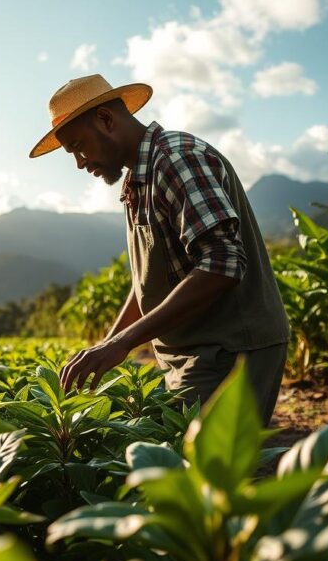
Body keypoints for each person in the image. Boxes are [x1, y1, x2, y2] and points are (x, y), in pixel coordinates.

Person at [29, 74, 289, 424]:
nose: (78, 162)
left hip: (228, 348)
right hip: (191, 350)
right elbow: (148, 284)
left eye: (78, 145)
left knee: (187, 467)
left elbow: (222, 264)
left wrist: (121, 343)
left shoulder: (178, 159)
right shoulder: (139, 179)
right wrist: (108, 344)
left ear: (106, 120)